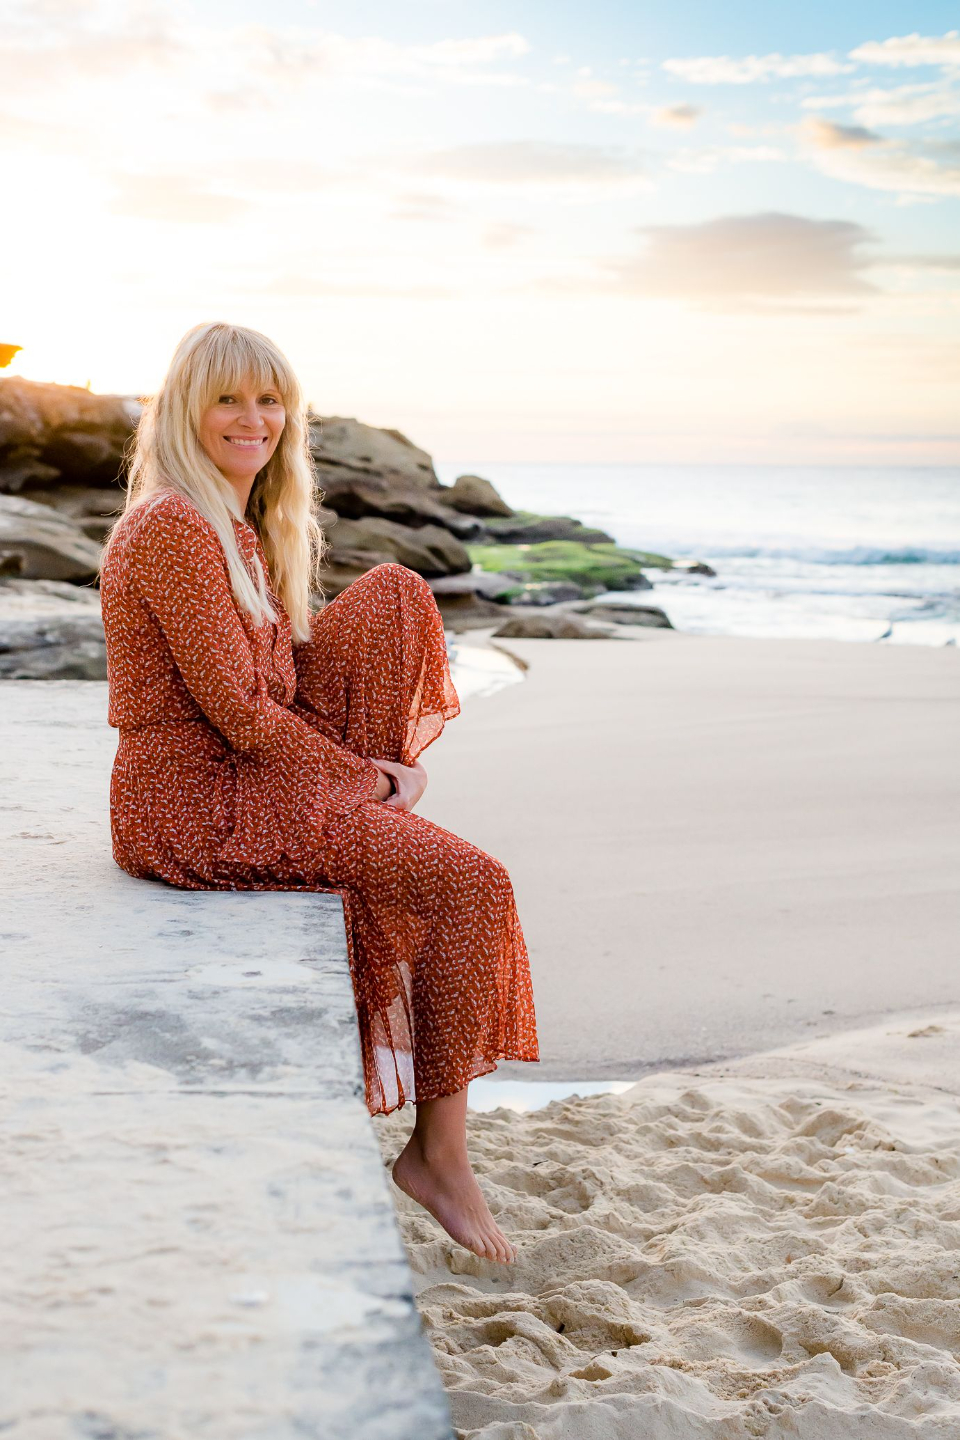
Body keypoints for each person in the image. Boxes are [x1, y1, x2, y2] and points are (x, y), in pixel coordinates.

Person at [98, 321, 539, 1264]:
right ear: (184, 410)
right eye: (227, 398)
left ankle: (358, 820)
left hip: (240, 775)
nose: (253, 419)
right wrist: (369, 778)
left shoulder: (234, 524)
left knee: (393, 594)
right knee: (473, 885)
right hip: (195, 802)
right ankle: (437, 1158)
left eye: (270, 400)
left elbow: (275, 679)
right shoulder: (174, 525)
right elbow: (241, 714)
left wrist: (355, 772)